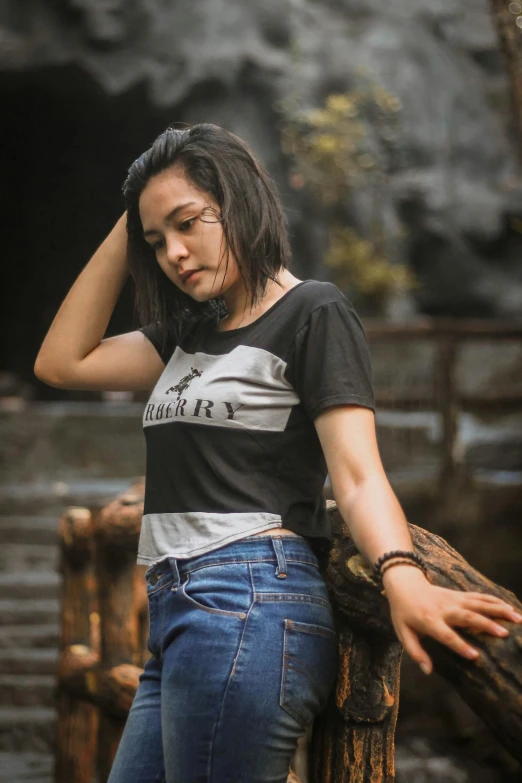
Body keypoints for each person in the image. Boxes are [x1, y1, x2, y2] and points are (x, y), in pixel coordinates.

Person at [34, 123, 522, 783]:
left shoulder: (312, 313)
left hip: (248, 601)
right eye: (158, 242)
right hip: (180, 612)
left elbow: (356, 474)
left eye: (187, 223)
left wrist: (402, 574)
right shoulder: (187, 334)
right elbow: (61, 361)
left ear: (240, 201)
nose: (174, 253)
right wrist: (135, 216)